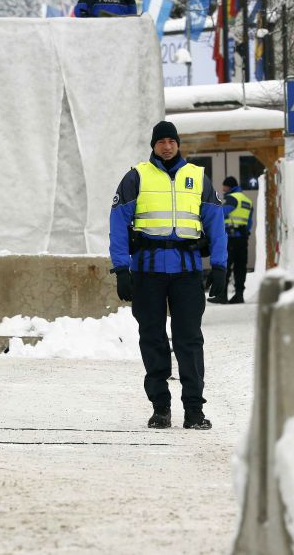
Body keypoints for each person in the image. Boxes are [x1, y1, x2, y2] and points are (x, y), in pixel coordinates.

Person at [109, 121, 227, 431]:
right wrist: (121, 269)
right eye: (160, 141)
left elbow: (215, 222)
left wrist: (220, 266)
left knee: (189, 340)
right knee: (153, 339)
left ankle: (194, 411)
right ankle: (160, 408)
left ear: (177, 144)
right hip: (147, 272)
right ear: (153, 145)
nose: (166, 146)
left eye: (171, 140)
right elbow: (118, 223)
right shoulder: (136, 177)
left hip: (187, 272)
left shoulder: (197, 177)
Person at [220, 176, 253, 304]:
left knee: (225, 266)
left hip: (230, 238)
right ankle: (239, 295)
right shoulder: (247, 201)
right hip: (242, 238)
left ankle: (222, 295)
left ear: (229, 187)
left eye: (224, 186)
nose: (223, 189)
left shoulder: (232, 199)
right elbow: (249, 222)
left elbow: (221, 213)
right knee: (240, 267)